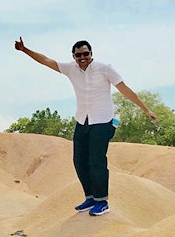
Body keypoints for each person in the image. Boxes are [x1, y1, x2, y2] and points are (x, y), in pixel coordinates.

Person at [14, 37, 156, 216]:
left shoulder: (105, 69)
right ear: (73, 56)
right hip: (82, 120)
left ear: (91, 54)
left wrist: (146, 110)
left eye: (86, 54)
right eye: (78, 55)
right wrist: (25, 50)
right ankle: (90, 198)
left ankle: (102, 201)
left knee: (96, 161)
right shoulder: (70, 69)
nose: (83, 57)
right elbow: (46, 60)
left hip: (102, 121)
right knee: (79, 160)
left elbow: (125, 89)